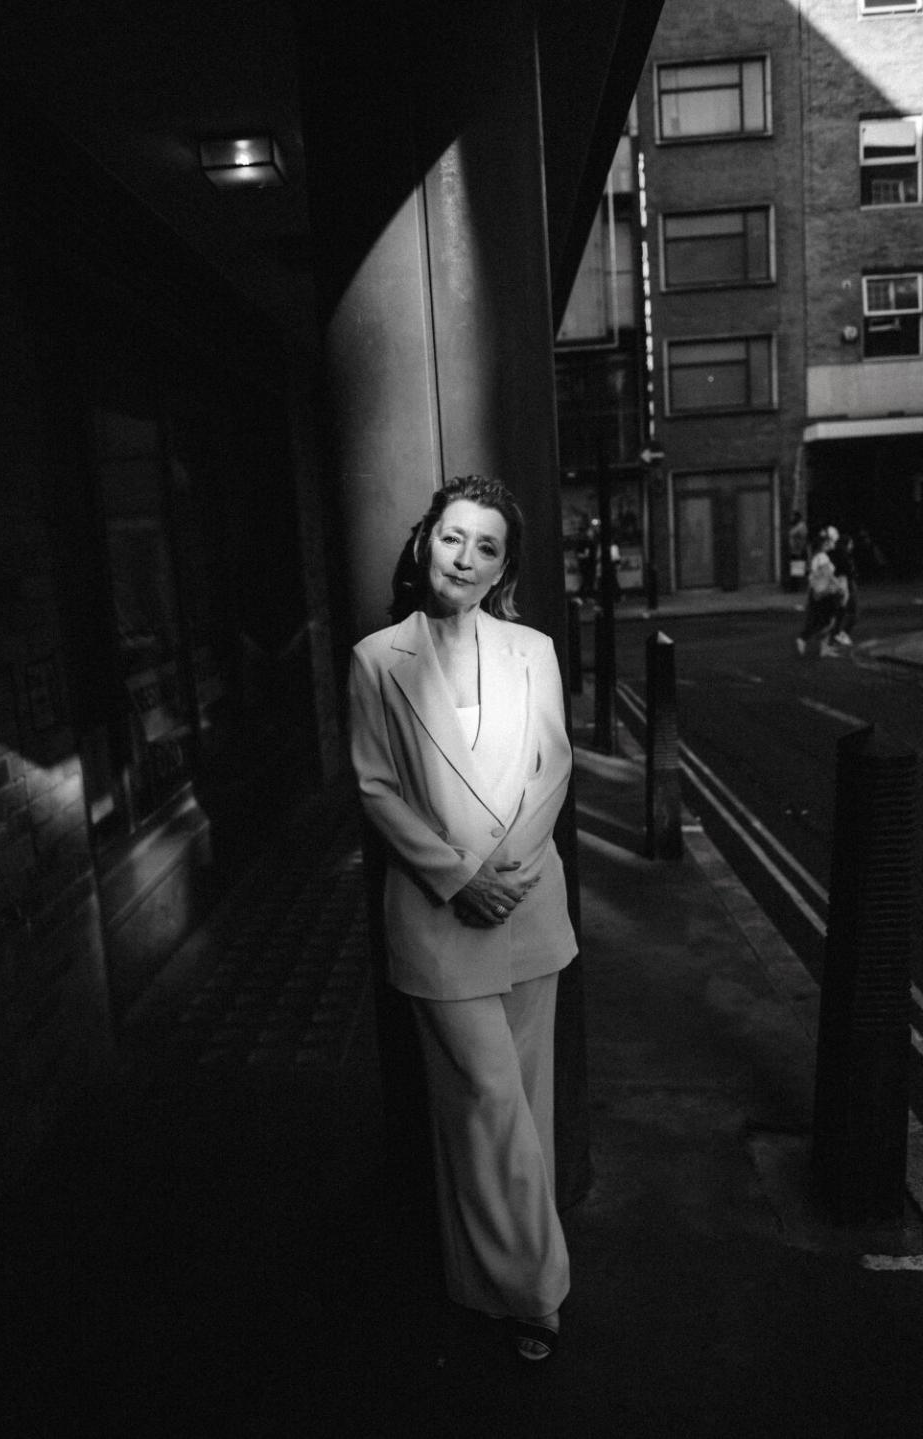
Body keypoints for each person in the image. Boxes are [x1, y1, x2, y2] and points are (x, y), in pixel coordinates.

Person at [348, 474, 576, 1364]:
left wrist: (507, 872)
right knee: (485, 1098)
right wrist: (459, 876)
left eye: (486, 546)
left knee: (518, 1103)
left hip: (526, 904)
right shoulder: (377, 658)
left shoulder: (533, 649)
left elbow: (551, 768)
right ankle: (537, 1289)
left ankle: (481, 1281)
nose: (465, 557)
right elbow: (375, 785)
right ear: (423, 543)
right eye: (453, 538)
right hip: (441, 914)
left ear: (502, 565)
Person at [795, 527, 846, 658]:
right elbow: (827, 576)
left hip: (819, 593)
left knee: (823, 620)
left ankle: (823, 648)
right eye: (831, 541)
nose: (833, 544)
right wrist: (839, 586)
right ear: (825, 543)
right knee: (827, 622)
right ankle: (803, 639)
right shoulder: (822, 557)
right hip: (825, 595)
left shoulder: (818, 556)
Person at [828, 531, 858, 645]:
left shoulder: (833, 554)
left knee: (840, 610)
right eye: (851, 543)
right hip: (846, 583)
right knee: (853, 612)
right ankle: (843, 634)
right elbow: (850, 571)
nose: (852, 546)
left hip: (835, 584)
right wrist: (853, 573)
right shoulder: (845, 555)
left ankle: (834, 635)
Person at [787, 511, 808, 591]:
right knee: (795, 569)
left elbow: (802, 538)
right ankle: (795, 587)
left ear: (797, 517)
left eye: (793, 516)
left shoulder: (801, 526)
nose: (791, 518)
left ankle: (797, 588)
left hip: (798, 551)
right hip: (794, 550)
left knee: (797, 570)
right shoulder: (796, 526)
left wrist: (800, 548)